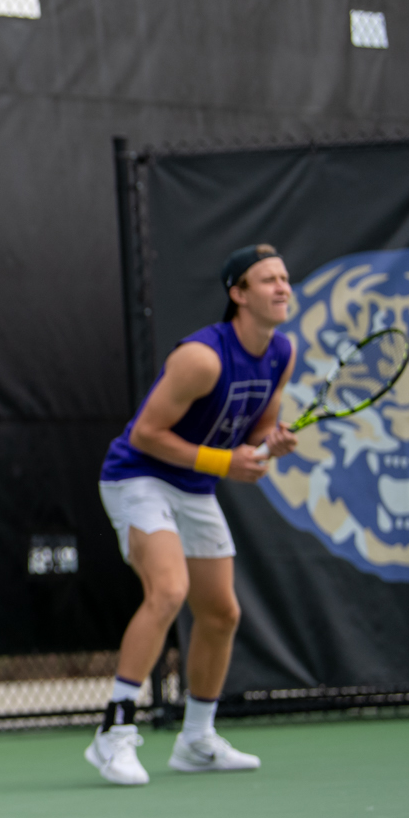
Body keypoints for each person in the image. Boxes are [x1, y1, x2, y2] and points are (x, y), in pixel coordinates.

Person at [88, 243, 299, 786]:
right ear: (238, 294)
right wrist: (225, 463)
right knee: (168, 591)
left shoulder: (281, 353)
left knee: (222, 612)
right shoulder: (202, 357)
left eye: (285, 278)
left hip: (194, 485)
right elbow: (145, 434)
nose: (282, 287)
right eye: (267, 280)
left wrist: (268, 446)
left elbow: (253, 434)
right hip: (138, 477)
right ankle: (113, 734)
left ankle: (196, 739)